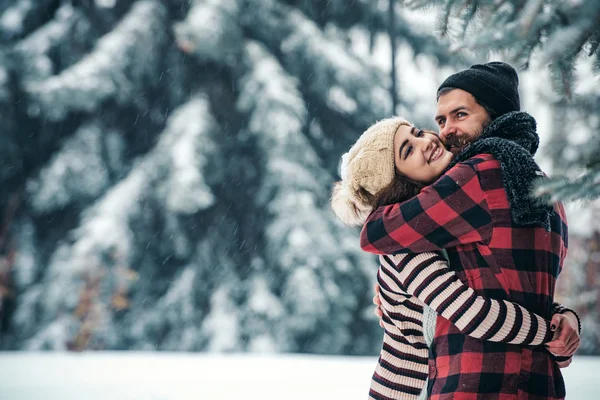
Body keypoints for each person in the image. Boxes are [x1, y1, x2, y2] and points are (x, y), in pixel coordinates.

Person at [358, 62, 580, 399]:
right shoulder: (545, 190)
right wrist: (561, 321)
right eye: (441, 121)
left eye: (460, 115)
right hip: (539, 384)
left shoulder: (475, 176)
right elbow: (519, 286)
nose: (444, 132)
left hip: (473, 382)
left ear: (494, 114)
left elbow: (375, 233)